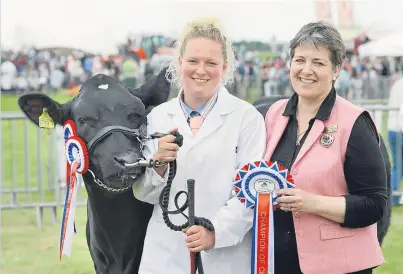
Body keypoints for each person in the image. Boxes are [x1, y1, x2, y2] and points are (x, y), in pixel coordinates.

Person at [132, 17, 266, 274]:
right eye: (193, 61)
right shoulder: (157, 118)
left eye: (211, 63)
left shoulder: (246, 118)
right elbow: (143, 193)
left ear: (225, 67)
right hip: (167, 253)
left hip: (226, 253)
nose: (201, 70)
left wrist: (215, 233)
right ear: (180, 62)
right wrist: (158, 163)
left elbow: (251, 193)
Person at [264, 21, 387, 274]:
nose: (306, 70)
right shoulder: (275, 114)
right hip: (281, 262)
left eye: (318, 63)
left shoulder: (355, 122)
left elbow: (374, 204)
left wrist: (311, 203)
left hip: (339, 267)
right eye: (299, 60)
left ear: (336, 70)